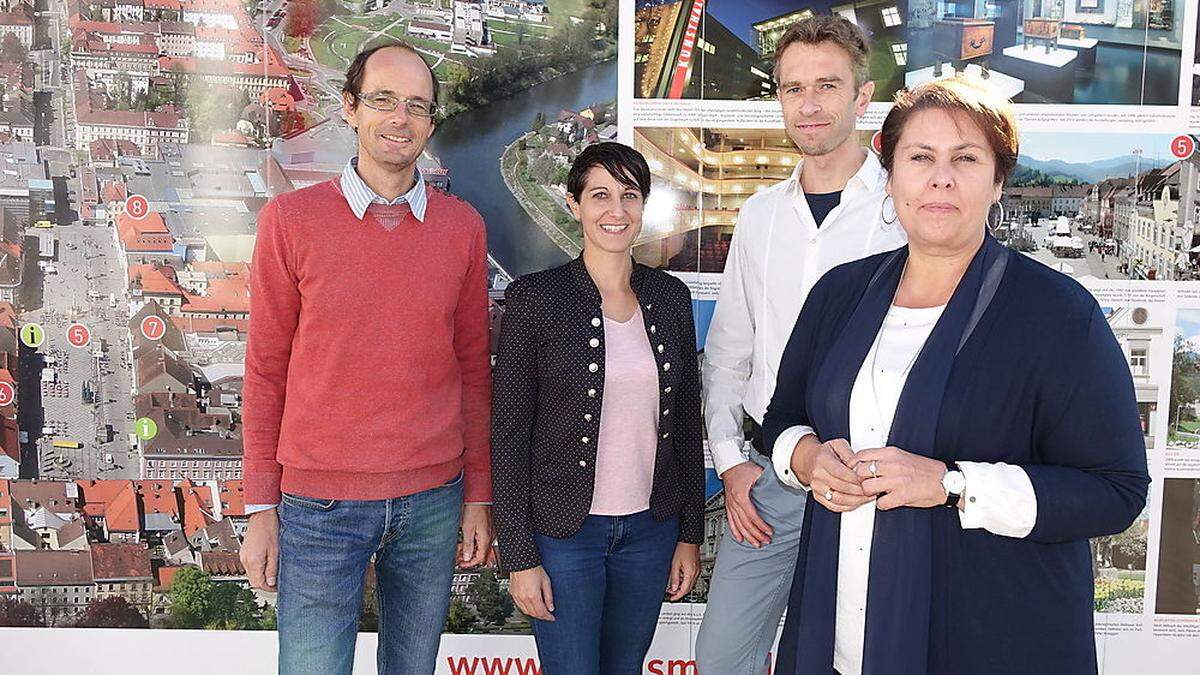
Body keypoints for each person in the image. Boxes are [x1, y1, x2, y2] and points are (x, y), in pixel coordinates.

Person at [762, 78, 1150, 675]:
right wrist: (806, 457)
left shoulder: (1057, 313)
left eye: (965, 159)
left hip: (990, 639)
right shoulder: (840, 294)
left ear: (998, 182)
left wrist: (952, 485)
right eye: (920, 158)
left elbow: (1115, 491)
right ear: (889, 176)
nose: (940, 178)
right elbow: (781, 420)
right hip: (841, 634)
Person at [240, 41, 494, 675]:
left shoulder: (463, 228)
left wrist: (478, 495)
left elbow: (472, 371)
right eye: (383, 100)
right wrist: (260, 508)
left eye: (416, 106)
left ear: (432, 123)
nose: (399, 118)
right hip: (317, 507)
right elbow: (265, 372)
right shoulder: (289, 221)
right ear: (350, 108)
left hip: (434, 501)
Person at [696, 16, 906, 674]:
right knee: (723, 656)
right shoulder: (759, 215)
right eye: (793, 89)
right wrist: (730, 462)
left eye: (826, 85)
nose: (809, 104)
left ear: (862, 97)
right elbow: (730, 351)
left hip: (871, 478)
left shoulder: (904, 212)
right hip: (772, 478)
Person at [491, 142, 705, 674]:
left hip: (650, 532)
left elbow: (681, 428)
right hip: (564, 535)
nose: (616, 211)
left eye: (630, 196)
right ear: (574, 204)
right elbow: (510, 435)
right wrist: (519, 556)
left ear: (644, 206)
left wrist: (689, 535)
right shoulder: (534, 298)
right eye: (600, 195)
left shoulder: (671, 298)